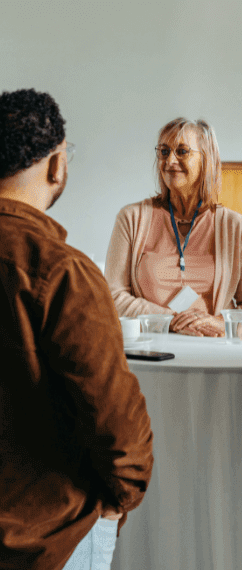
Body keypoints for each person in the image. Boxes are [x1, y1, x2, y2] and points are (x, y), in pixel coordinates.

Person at [0, 89, 154, 569]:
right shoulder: (61, 271)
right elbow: (112, 413)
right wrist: (118, 499)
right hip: (50, 535)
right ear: (55, 165)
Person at [105, 118, 242, 336]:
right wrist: (170, 321)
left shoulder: (233, 226)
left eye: (182, 151)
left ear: (206, 160)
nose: (170, 160)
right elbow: (112, 297)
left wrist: (222, 323)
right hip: (151, 349)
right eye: (164, 152)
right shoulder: (131, 218)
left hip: (213, 351)